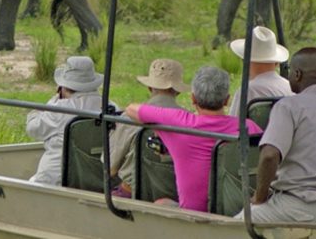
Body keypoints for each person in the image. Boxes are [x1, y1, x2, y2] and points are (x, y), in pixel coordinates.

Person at [239, 47, 316, 225]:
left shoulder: (288, 107)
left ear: (297, 74)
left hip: (300, 207)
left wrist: (259, 196)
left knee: (236, 225)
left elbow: (270, 155)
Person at [125, 66, 262, 212]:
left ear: (193, 98)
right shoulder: (249, 127)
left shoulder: (179, 122)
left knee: (161, 202)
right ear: (226, 100)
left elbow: (131, 109)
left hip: (193, 215)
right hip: (236, 212)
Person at [27, 56, 114, 185]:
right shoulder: (111, 107)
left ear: (64, 87)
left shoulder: (59, 109)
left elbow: (32, 129)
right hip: (97, 179)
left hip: (57, 178)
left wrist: (51, 103)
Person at [108, 58, 188, 198]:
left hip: (133, 193)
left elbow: (111, 168)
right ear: (178, 91)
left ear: (150, 88)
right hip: (177, 195)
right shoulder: (190, 120)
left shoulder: (129, 118)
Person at [228, 26, 293, 116]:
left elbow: (234, 123)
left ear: (245, 60)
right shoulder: (290, 88)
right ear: (277, 62)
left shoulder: (246, 91)